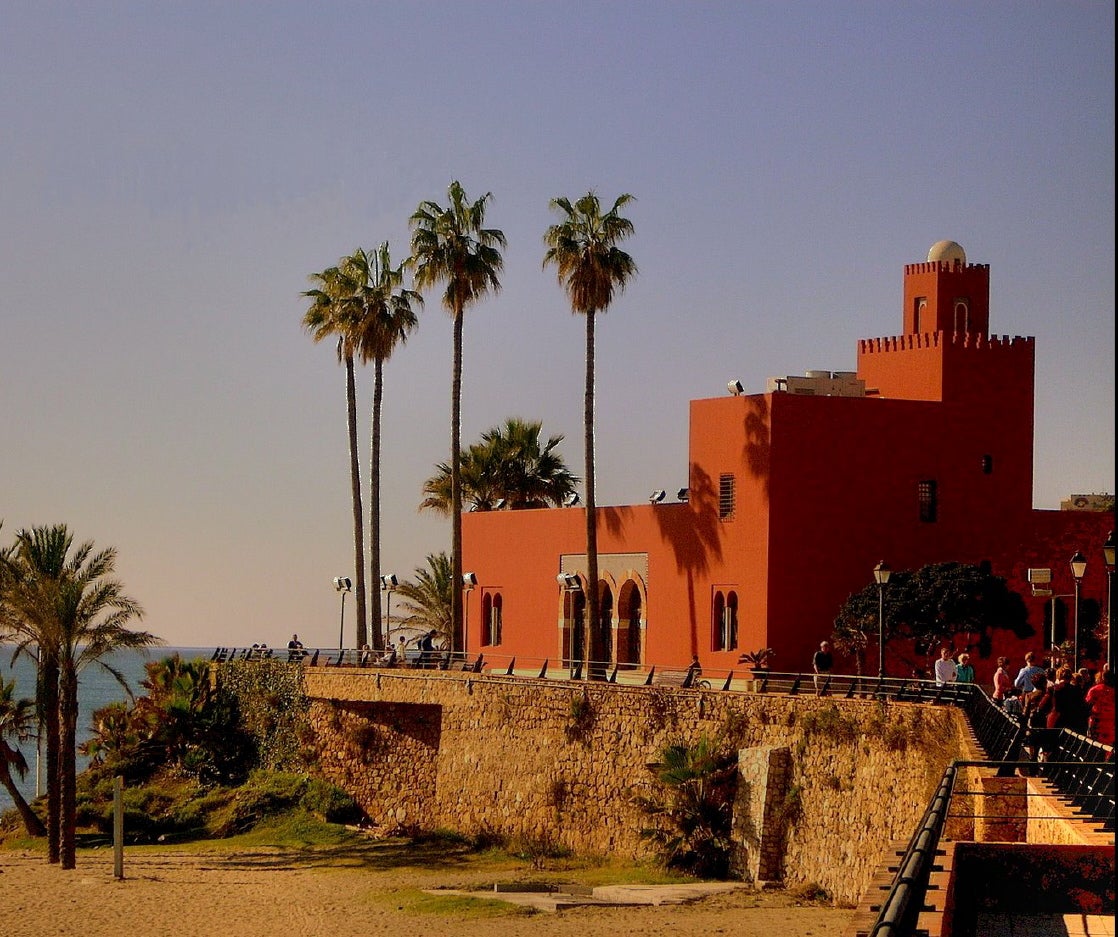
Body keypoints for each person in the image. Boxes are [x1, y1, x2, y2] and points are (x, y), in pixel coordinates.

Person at [1084, 669, 1115, 746]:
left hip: (1097, 722)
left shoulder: (1094, 690)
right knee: (1109, 745)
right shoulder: (1113, 691)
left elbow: (1088, 704)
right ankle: (1107, 757)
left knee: (1096, 745)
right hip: (1111, 722)